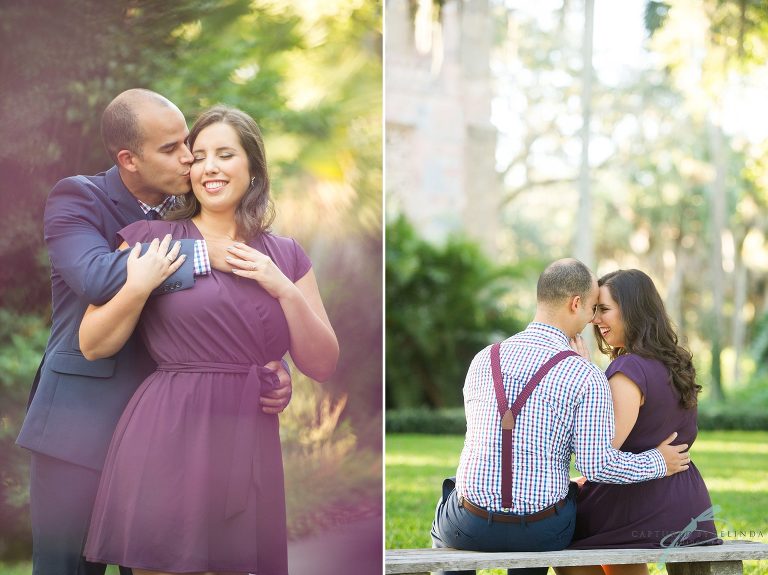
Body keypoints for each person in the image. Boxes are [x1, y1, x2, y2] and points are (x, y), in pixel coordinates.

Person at [16, 89, 293, 575]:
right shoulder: (78, 197)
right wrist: (204, 253)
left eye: (187, 142)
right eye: (171, 149)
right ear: (129, 160)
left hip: (161, 435)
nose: (189, 157)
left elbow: (219, 314)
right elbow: (97, 276)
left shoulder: (189, 210)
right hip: (79, 428)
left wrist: (271, 366)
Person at [79, 105, 339, 575]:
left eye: (225, 154)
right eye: (198, 156)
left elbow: (321, 363)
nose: (210, 167)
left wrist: (281, 286)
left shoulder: (285, 254)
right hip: (168, 434)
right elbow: (93, 342)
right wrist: (139, 284)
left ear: (253, 168)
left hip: (248, 442)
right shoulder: (152, 239)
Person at [431, 258, 692, 575]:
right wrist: (657, 462)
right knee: (541, 522)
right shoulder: (587, 375)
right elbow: (595, 465)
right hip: (542, 530)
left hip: (471, 524)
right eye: (593, 308)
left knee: (451, 497)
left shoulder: (484, 359)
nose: (593, 319)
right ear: (576, 303)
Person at [559, 269, 720, 575]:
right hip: (688, 501)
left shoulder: (627, 369)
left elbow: (601, 452)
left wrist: (582, 374)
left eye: (604, 309)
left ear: (633, 311)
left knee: (555, 529)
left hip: (640, 504)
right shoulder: (675, 362)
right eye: (594, 310)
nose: (595, 320)